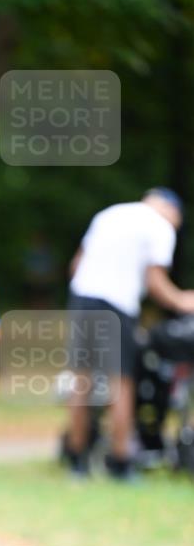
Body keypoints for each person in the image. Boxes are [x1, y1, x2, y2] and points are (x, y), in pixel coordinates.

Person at [66, 188, 194, 479]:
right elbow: (155, 282)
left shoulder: (108, 214)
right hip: (117, 305)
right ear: (171, 211)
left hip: (82, 298)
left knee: (81, 381)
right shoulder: (160, 226)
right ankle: (120, 461)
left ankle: (77, 461)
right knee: (120, 382)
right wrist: (182, 300)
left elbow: (76, 266)